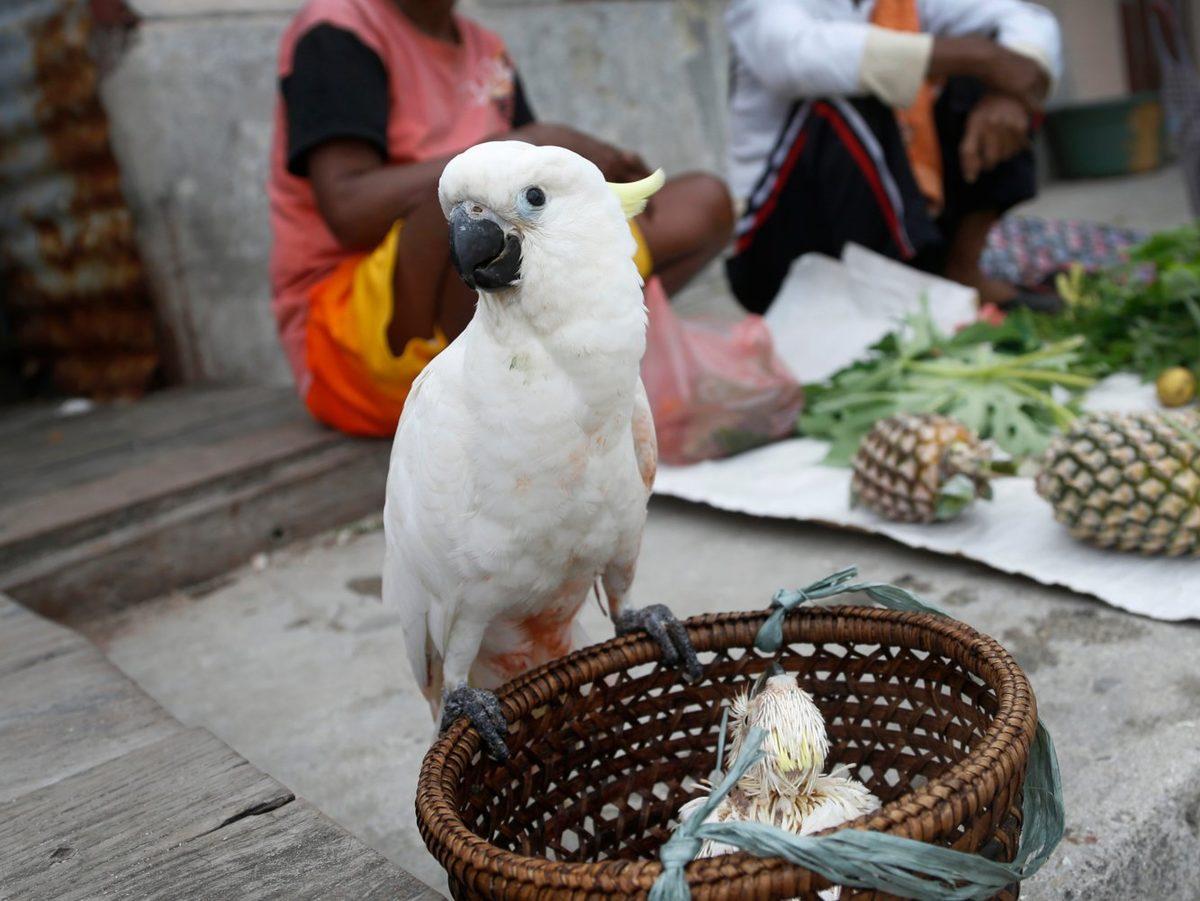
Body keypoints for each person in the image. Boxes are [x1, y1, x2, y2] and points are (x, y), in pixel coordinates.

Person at [268, 0, 734, 436]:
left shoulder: (486, 51)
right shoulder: (340, 31)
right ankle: (515, 408)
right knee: (464, 206)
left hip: (484, 311)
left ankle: (562, 381)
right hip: (352, 342)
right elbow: (348, 209)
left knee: (700, 203)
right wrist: (542, 138)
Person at [724, 0, 1063, 315]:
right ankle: (900, 296)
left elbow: (1027, 21)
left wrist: (1006, 93)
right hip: (778, 247)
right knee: (846, 89)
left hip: (892, 208)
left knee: (995, 76)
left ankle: (961, 270)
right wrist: (975, 56)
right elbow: (794, 57)